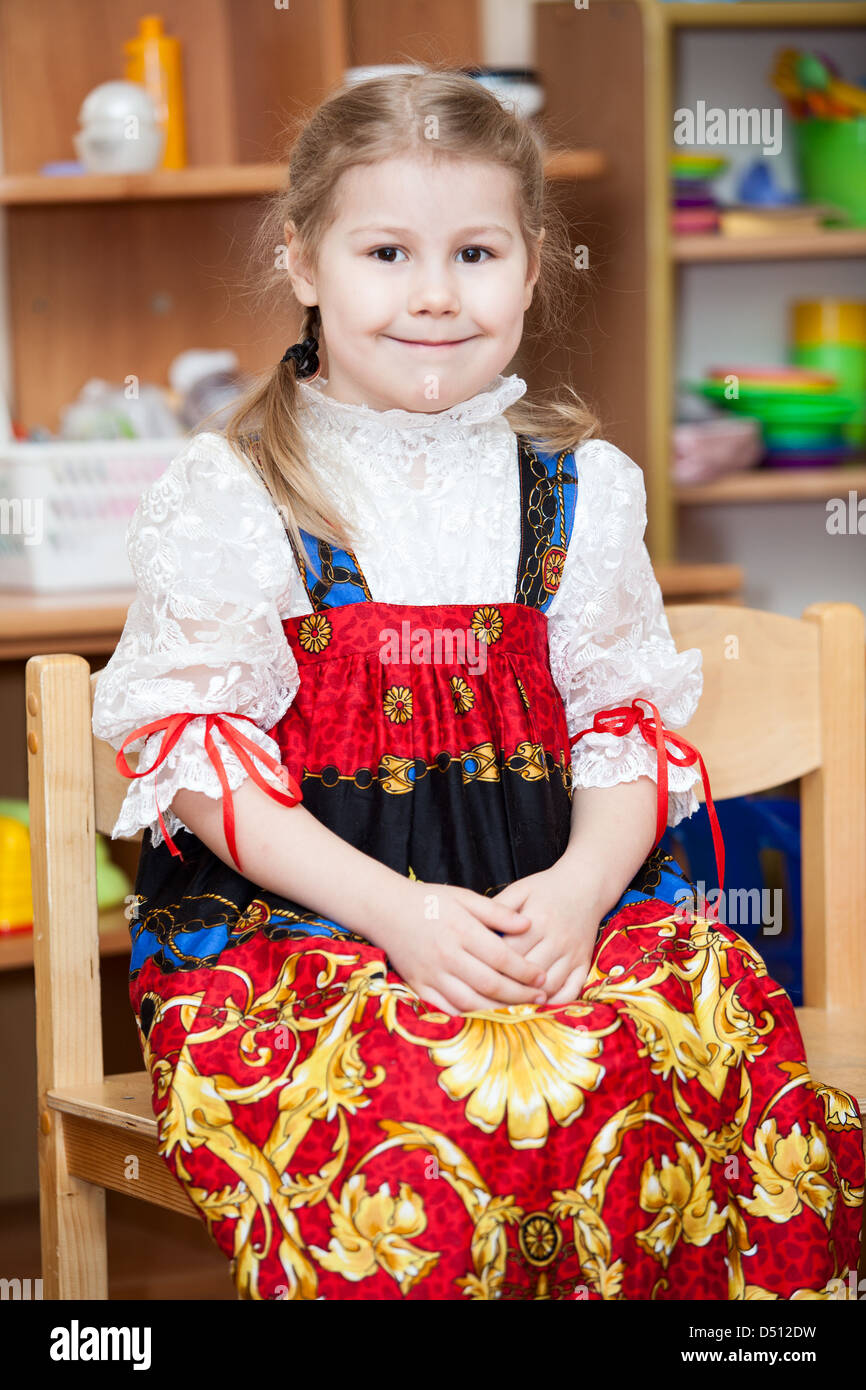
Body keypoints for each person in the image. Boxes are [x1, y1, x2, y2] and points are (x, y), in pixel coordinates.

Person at [92, 68, 864, 1302]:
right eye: (387, 251)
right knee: (433, 1102)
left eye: (476, 251)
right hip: (302, 931)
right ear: (302, 261)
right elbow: (193, 757)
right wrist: (396, 916)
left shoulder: (582, 485)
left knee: (695, 1038)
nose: (436, 295)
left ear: (534, 264)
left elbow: (619, 727)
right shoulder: (233, 490)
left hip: (551, 914)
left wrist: (573, 892)